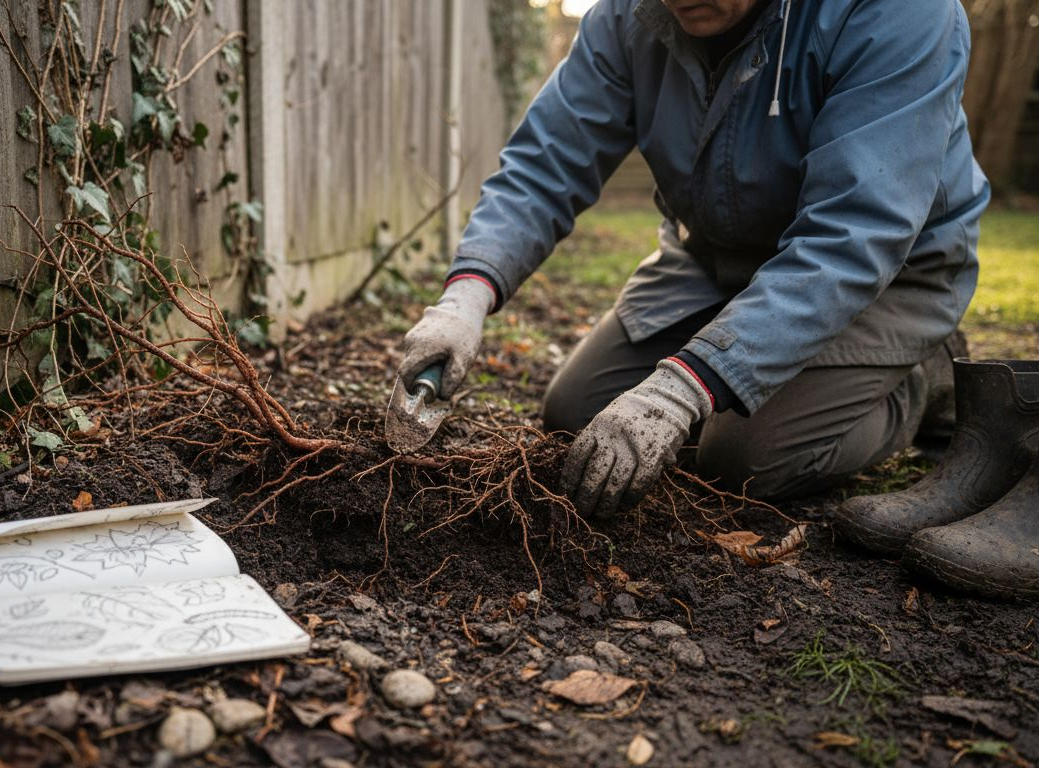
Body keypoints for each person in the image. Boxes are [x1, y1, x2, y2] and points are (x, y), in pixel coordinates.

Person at [396, 0, 989, 518]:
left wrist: (683, 390)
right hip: (714, 263)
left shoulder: (895, 12)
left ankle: (923, 377)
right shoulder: (628, 16)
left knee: (743, 461)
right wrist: (465, 299)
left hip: (884, 274)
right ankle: (746, 369)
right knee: (576, 415)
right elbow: (545, 166)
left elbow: (856, 231)